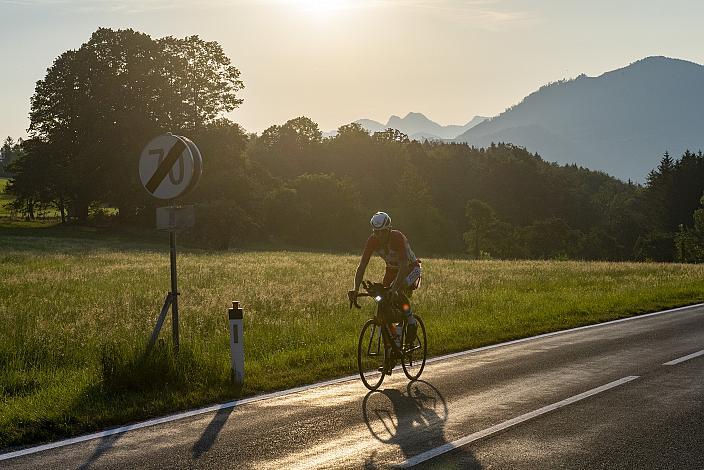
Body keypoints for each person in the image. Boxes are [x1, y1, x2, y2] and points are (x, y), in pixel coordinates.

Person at [349, 211, 422, 372]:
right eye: (376, 232)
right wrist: (355, 289)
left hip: (410, 268)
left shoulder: (397, 237)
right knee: (384, 304)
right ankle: (393, 346)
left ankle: (410, 320)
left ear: (389, 230)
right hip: (391, 270)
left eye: (383, 232)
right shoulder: (372, 241)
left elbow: (403, 266)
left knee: (398, 289)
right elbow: (362, 266)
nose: (380, 235)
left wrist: (394, 289)